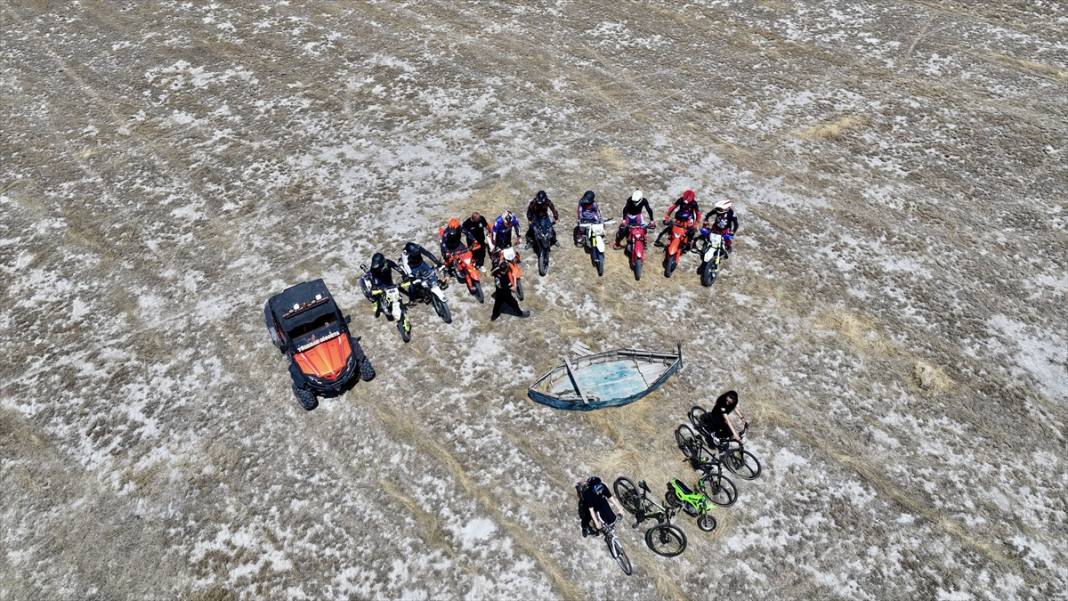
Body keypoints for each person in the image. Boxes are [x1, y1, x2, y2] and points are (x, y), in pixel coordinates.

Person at [489, 248, 530, 320]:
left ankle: (494, 316)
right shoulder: (505, 278)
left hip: (498, 291)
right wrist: (514, 282)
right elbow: (513, 289)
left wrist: (501, 257)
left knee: (497, 304)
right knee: (514, 303)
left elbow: (491, 273)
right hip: (505, 293)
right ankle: (520, 314)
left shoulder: (496, 271)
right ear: (505, 270)